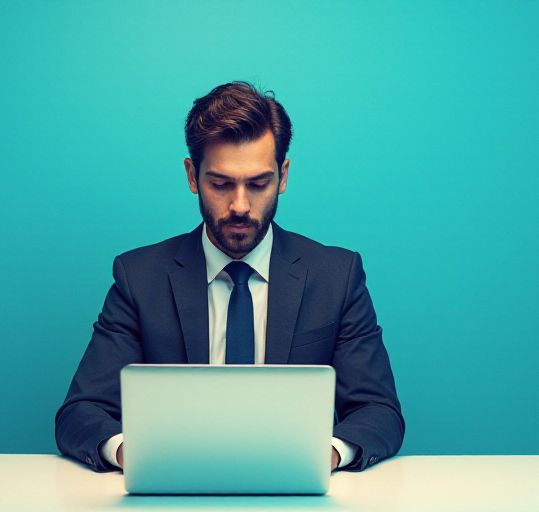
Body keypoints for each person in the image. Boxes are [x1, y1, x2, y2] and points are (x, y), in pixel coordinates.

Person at [55, 81, 404, 473]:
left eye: (258, 184)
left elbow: (379, 410)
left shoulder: (337, 278)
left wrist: (328, 453)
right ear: (192, 176)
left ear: (283, 176)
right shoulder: (139, 278)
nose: (240, 206)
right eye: (221, 184)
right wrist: (129, 452)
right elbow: (80, 412)